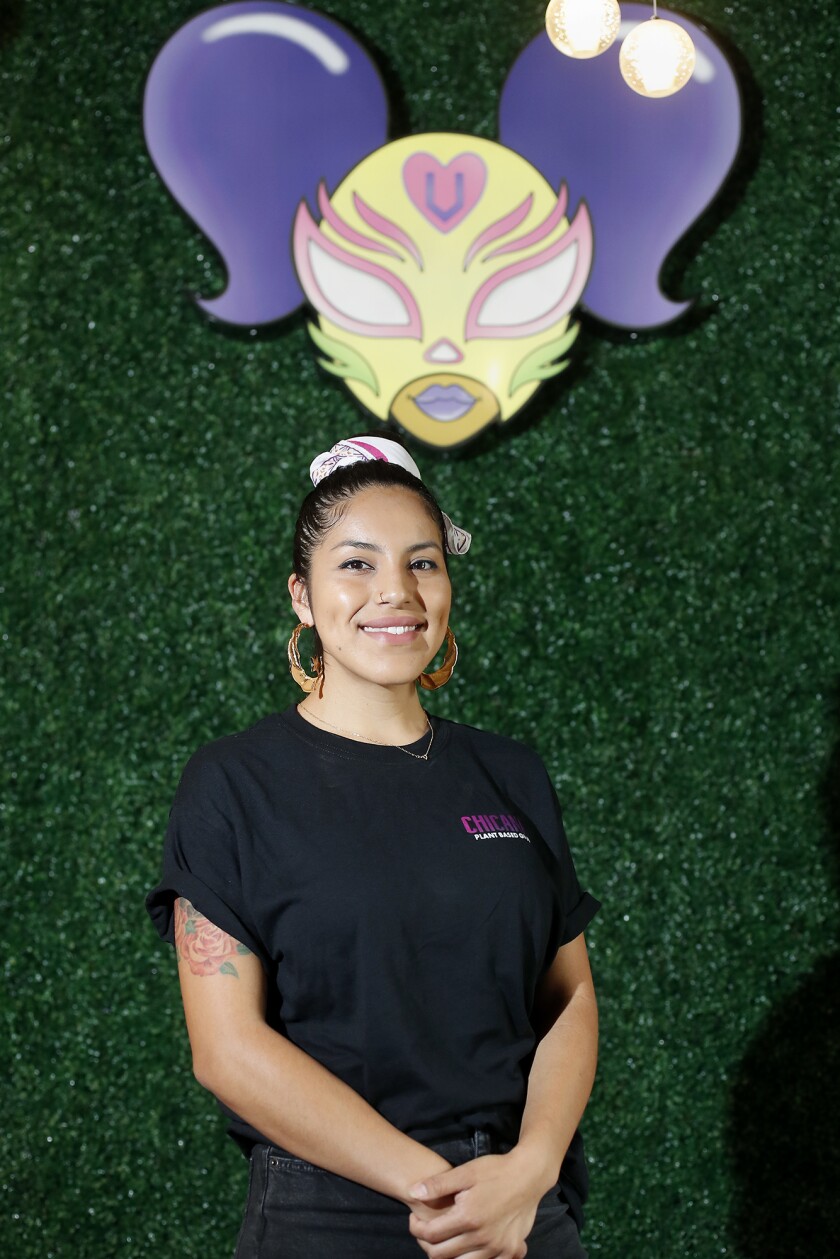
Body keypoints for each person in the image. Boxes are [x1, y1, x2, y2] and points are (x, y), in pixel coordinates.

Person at [147, 434, 600, 1259]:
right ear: (301, 596)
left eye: (423, 563)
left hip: (520, 1214)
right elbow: (227, 1050)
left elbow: (568, 1000)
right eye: (356, 564)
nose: (397, 591)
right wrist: (440, 1192)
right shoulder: (232, 783)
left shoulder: (510, 772)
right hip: (331, 1215)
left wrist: (527, 1171)